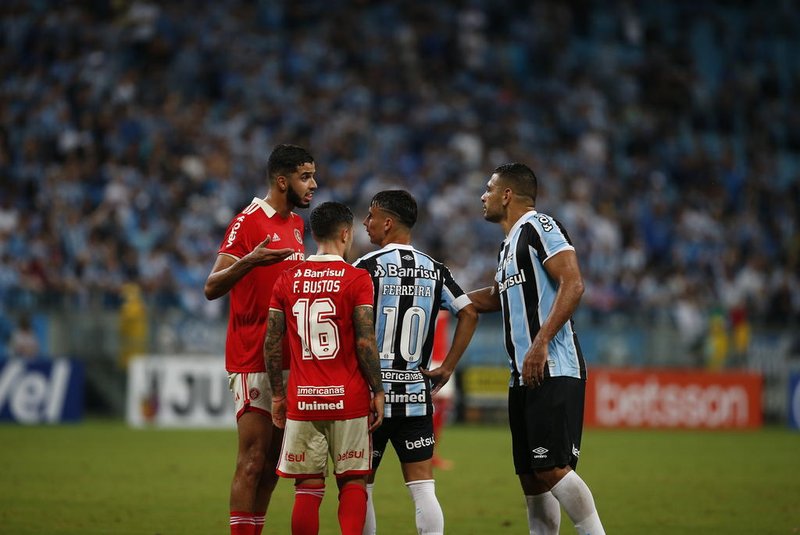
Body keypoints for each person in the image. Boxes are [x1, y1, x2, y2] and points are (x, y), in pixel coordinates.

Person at [467, 163, 605, 535]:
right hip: (523, 374)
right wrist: (452, 300)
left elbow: (573, 283)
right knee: (531, 477)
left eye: (489, 189)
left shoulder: (539, 226)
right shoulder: (508, 244)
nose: (483, 196)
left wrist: (541, 342)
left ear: (507, 195)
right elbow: (499, 295)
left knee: (552, 467)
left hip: (554, 365)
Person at [204, 143, 317, 535]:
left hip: (290, 360)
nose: (313, 184)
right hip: (253, 357)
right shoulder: (247, 221)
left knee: (273, 464)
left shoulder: (299, 226)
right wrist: (250, 260)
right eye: (306, 177)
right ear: (282, 181)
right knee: (252, 460)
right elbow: (211, 286)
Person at [353, 190, 478, 535]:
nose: (366, 223)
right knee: (423, 487)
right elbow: (468, 312)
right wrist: (448, 366)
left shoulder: (365, 267)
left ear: (388, 222)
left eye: (371, 216)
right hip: (415, 395)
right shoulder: (435, 270)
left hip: (370, 399)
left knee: (360, 486)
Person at [264, 201, 385, 535]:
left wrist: (277, 395)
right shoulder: (357, 279)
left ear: (313, 234)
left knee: (307, 486)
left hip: (303, 401)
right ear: (346, 233)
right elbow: (364, 341)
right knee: (352, 482)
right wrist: (378, 390)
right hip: (349, 399)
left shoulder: (287, 279)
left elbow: (272, 341)